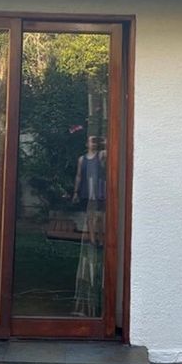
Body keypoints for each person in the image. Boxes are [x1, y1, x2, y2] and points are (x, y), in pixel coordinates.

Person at [71, 135, 105, 317]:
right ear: (86, 144)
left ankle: (99, 237)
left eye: (95, 141)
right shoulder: (82, 159)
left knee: (99, 215)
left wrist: (103, 140)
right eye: (92, 140)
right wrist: (76, 192)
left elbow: (108, 151)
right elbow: (78, 175)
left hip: (98, 189)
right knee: (90, 215)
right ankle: (92, 239)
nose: (94, 143)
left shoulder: (101, 155)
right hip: (87, 189)